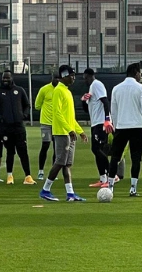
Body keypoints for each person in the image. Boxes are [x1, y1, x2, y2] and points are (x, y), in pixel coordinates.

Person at [39, 65, 88, 202]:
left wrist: (80, 131)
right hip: (62, 133)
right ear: (64, 76)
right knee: (60, 162)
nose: (73, 78)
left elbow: (70, 117)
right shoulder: (58, 91)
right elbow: (58, 114)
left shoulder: (67, 91)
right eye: (71, 75)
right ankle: (45, 189)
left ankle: (70, 194)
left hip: (68, 132)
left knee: (66, 164)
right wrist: (69, 130)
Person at [107, 63, 142, 197]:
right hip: (137, 127)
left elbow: (113, 110)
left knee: (115, 157)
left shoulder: (116, 88)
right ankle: (133, 188)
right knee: (136, 158)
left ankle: (110, 187)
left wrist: (114, 125)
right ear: (136, 72)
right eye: (140, 73)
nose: (141, 76)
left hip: (121, 126)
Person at [0, 71, 36, 185]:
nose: (5, 80)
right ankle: (9, 175)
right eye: (4, 78)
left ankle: (28, 176)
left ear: (12, 78)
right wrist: (1, 118)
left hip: (19, 127)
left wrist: (24, 115)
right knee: (10, 152)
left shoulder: (19, 90)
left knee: (23, 151)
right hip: (6, 128)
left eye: (8, 78)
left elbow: (27, 105)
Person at [82, 68, 113, 188]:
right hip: (95, 123)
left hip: (101, 123)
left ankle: (111, 174)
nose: (85, 80)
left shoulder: (97, 85)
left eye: (85, 78)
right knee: (96, 150)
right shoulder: (91, 88)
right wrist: (83, 101)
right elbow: (87, 109)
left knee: (97, 149)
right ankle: (103, 178)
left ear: (90, 76)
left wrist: (107, 120)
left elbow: (105, 101)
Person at [35, 74, 59, 180]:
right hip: (46, 123)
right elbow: (37, 105)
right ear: (52, 79)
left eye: (59, 79)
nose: (57, 80)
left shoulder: (61, 90)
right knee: (45, 145)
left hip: (57, 123)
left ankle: (54, 171)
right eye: (55, 78)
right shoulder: (44, 89)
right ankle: (41, 171)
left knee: (56, 148)